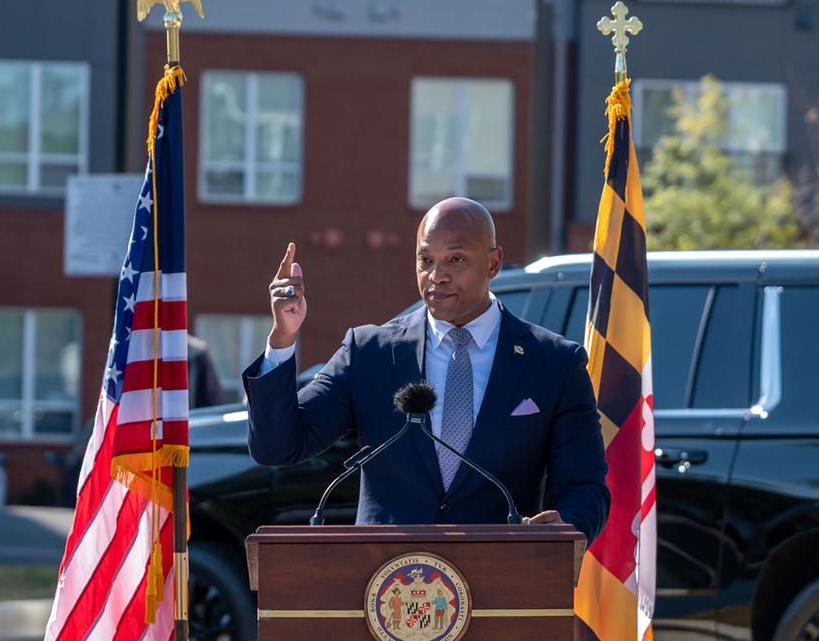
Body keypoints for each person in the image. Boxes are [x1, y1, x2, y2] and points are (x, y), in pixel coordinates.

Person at [242, 197, 610, 543]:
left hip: (498, 576)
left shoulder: (554, 363)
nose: (436, 275)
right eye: (425, 260)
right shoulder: (370, 353)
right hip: (386, 578)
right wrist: (283, 339)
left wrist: (563, 530)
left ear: (493, 263)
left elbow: (585, 486)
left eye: (455, 259)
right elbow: (278, 447)